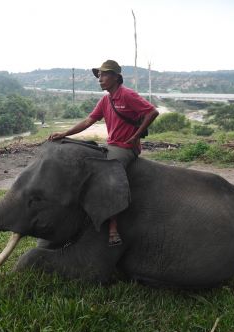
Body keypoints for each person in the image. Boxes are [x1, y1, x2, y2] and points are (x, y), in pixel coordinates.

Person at [49, 59, 159, 246]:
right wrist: (65, 133)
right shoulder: (105, 100)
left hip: (125, 148)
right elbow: (87, 122)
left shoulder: (127, 95)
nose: (100, 79)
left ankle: (113, 228)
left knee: (108, 177)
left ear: (116, 77)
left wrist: (136, 136)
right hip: (110, 144)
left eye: (104, 75)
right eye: (99, 76)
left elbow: (152, 112)